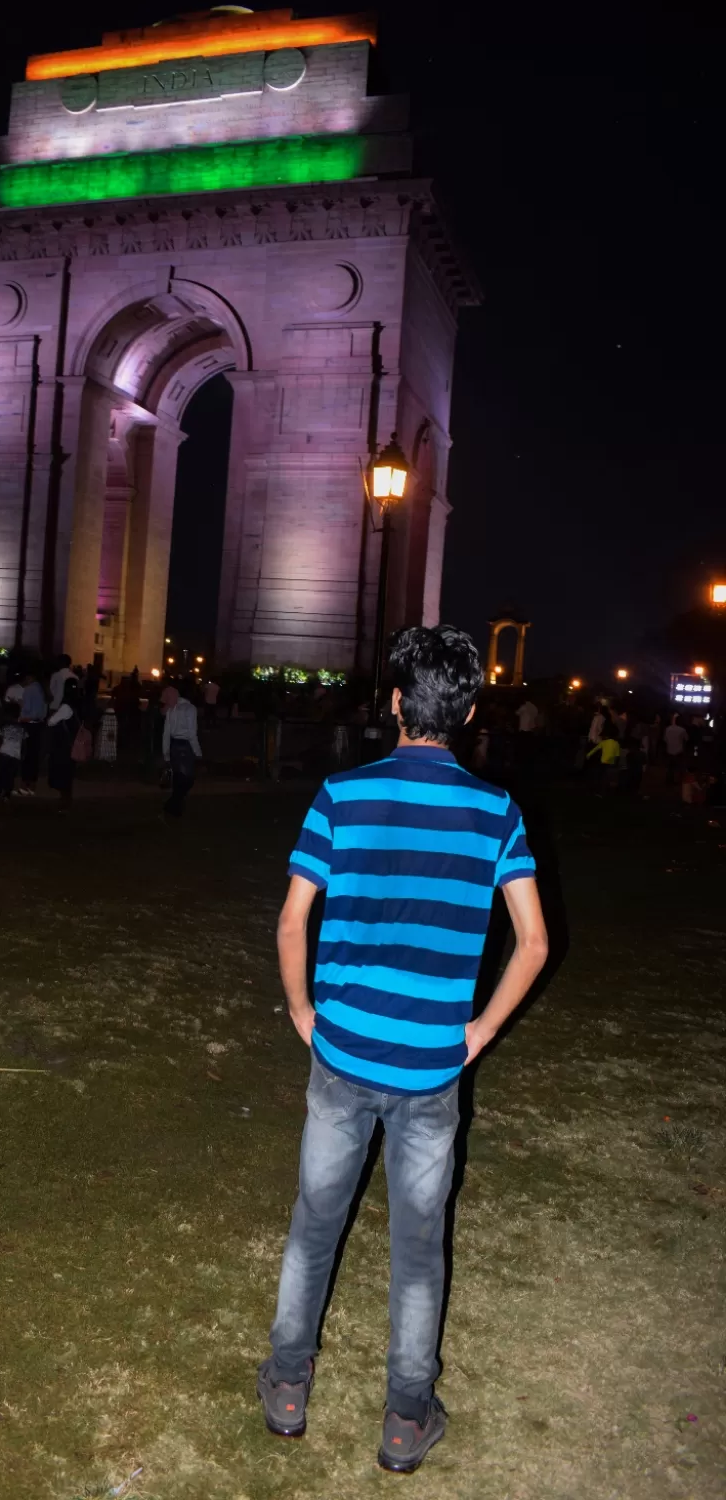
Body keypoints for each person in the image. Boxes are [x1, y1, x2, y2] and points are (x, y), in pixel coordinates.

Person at [258, 625, 547, 1475]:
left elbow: (290, 919)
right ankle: (404, 1417)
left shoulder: (340, 796)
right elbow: (532, 943)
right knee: (419, 1249)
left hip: (343, 1055)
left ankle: (286, 1387)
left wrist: (302, 1008)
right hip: (429, 1066)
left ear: (394, 702)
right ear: (464, 710)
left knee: (315, 1225)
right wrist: (481, 1032)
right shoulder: (497, 812)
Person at [162, 683, 202, 817]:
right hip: (185, 745)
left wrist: (166, 753)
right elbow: (192, 733)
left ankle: (175, 806)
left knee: (179, 777)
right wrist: (198, 752)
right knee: (188, 778)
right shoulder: (190, 709)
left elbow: (166, 733)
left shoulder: (171, 709)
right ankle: (173, 803)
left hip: (174, 745)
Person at [46, 678, 82, 811]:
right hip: (71, 743)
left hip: (63, 745)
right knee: (68, 773)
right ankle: (66, 800)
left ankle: (65, 802)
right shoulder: (77, 703)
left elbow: (51, 722)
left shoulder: (66, 706)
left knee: (62, 773)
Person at [17, 670, 47, 795]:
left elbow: (27, 710)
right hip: (38, 725)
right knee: (34, 755)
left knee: (27, 756)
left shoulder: (29, 690)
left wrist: (19, 711)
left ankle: (26, 784)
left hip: (29, 724)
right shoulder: (40, 688)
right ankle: (32, 784)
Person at [0, 705, 26, 800]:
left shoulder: (4, 726)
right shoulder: (21, 728)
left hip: (3, 753)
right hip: (15, 755)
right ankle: (6, 794)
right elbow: (24, 743)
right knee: (10, 775)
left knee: (1, 773)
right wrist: (23, 754)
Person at [663, 713, 688, 785]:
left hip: (669, 750)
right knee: (680, 767)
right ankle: (680, 781)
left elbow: (665, 740)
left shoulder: (668, 729)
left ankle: (669, 781)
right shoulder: (682, 730)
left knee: (669, 768)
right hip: (679, 751)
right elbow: (686, 739)